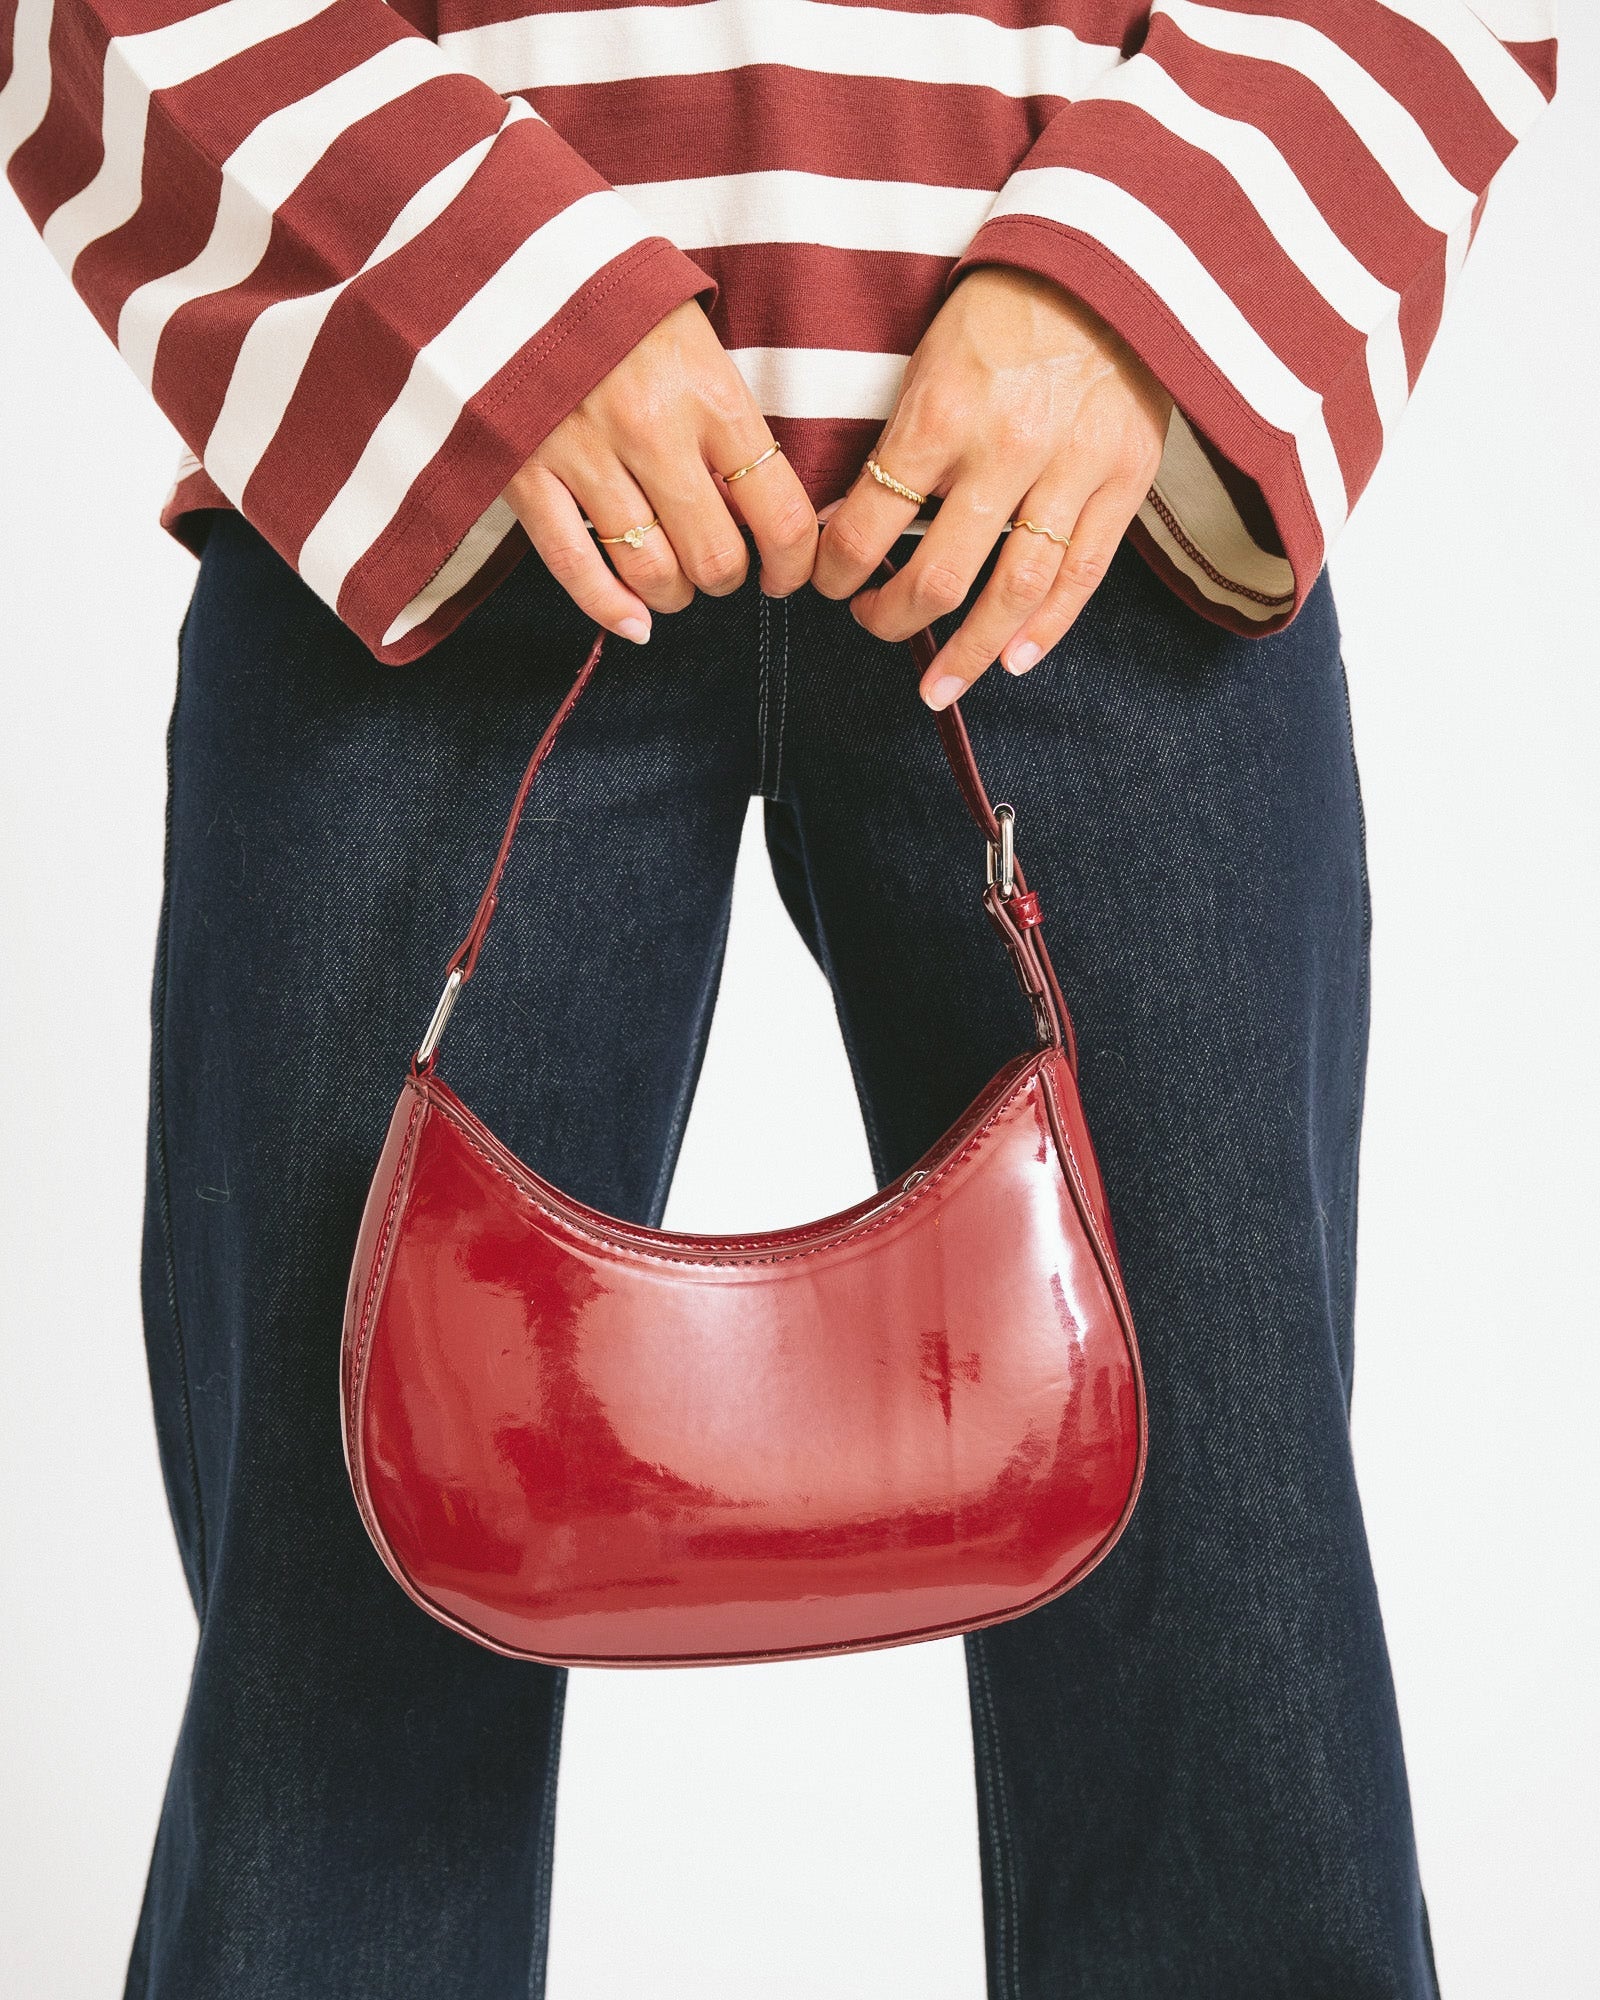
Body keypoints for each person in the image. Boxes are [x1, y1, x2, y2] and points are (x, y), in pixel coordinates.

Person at [2, 3, 1557, 1995]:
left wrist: (1153, 271)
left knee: (1238, 1714)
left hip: (1086, 483)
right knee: (337, 1728)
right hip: (432, 464)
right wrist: (469, 275)